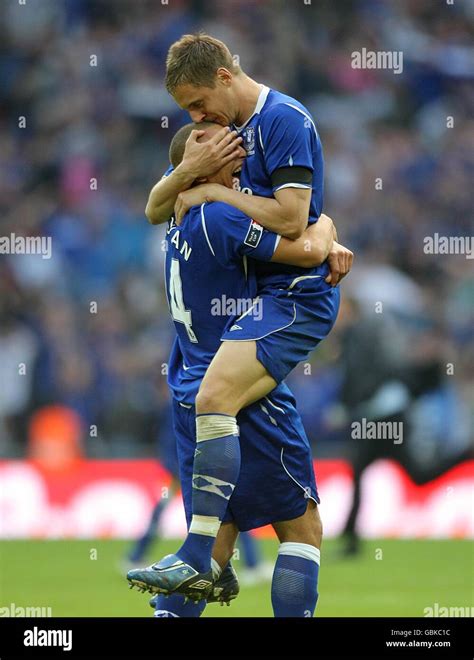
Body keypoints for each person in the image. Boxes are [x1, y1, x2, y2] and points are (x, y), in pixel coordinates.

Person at [136, 34, 353, 589]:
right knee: (297, 527)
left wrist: (213, 193)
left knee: (215, 400)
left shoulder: (284, 121)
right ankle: (204, 557)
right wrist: (190, 177)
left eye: (196, 103)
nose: (195, 116)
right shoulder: (225, 139)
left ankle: (198, 552)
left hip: (292, 297)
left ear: (225, 77)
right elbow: (153, 205)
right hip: (253, 310)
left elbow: (290, 221)